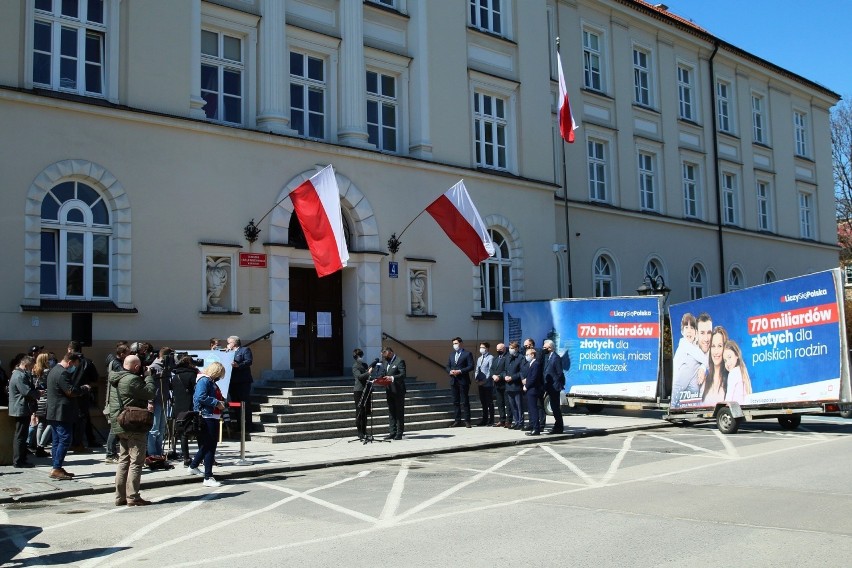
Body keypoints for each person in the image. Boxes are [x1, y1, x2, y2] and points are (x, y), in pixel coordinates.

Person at [109, 354, 156, 506]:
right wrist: (148, 377)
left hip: (120, 423)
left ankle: (120, 496)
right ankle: (133, 497)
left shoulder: (116, 378)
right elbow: (149, 392)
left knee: (124, 460)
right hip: (133, 424)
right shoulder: (132, 380)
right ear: (136, 367)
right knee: (136, 461)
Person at [46, 352, 89, 480]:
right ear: (70, 362)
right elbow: (70, 391)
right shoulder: (62, 373)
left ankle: (56, 466)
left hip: (54, 411)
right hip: (61, 412)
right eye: (75, 365)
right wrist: (84, 388)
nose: (74, 368)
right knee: (65, 439)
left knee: (57, 441)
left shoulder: (53, 370)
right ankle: (57, 467)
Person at [187, 362, 227, 487]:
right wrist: (216, 403)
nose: (220, 377)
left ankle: (193, 466)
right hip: (207, 416)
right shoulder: (205, 381)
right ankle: (208, 477)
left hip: (210, 416)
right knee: (209, 447)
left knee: (207, 446)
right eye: (220, 374)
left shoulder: (207, 381)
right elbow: (200, 397)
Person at [67, 340, 100, 452]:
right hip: (83, 393)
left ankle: (77, 442)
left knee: (76, 419)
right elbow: (95, 377)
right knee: (82, 418)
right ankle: (79, 442)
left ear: (70, 349)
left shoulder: (68, 362)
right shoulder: (87, 362)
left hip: (70, 393)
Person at [671, 313, 710, 406]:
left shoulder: (694, 347)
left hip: (688, 397)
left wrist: (702, 368)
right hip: (676, 393)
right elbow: (705, 359)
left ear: (696, 332)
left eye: (692, 328)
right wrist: (703, 367)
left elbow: (707, 359)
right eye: (686, 328)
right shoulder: (684, 345)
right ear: (682, 331)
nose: (689, 331)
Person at [9, 356, 40, 468]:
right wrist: (38, 393)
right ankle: (18, 461)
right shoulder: (19, 375)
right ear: (26, 365)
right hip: (20, 409)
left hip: (21, 408)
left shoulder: (19, 374)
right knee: (20, 436)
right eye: (31, 366)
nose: (32, 369)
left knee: (21, 435)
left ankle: (21, 459)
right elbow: (26, 391)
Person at [171, 355, 200, 465]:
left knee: (183, 433)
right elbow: (197, 390)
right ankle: (201, 456)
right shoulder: (192, 375)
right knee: (198, 431)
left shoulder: (175, 376)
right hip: (191, 406)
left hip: (178, 407)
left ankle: (186, 457)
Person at [104, 344, 129, 464]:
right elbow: (124, 377)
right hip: (116, 400)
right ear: (122, 354)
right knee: (114, 428)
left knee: (115, 428)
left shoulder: (113, 362)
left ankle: (111, 453)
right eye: (127, 353)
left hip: (115, 399)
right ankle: (110, 454)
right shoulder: (117, 364)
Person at [146, 347, 173, 457]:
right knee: (154, 428)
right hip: (156, 401)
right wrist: (150, 401)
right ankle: (152, 453)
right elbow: (149, 385)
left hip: (164, 400)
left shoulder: (167, 367)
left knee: (161, 429)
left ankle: (159, 452)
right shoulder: (154, 367)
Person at [226, 335, 253, 437]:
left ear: (235, 343)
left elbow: (248, 361)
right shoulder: (229, 352)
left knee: (245, 403)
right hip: (232, 382)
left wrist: (238, 365)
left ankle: (249, 425)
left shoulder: (244, 350)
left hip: (243, 381)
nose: (227, 344)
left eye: (229, 342)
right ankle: (239, 425)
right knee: (235, 404)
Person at [446, 337, 474, 428]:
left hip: (463, 380)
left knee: (465, 401)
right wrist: (450, 371)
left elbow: (471, 366)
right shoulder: (451, 354)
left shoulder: (467, 354)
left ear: (461, 343)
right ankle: (457, 420)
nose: (455, 345)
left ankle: (467, 420)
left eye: (456, 343)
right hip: (454, 381)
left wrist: (460, 371)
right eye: (453, 343)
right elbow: (447, 366)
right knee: (455, 401)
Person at [29, 353, 51, 457]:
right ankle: (41, 445)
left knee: (41, 424)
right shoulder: (47, 371)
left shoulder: (34, 371)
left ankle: (38, 446)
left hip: (38, 400)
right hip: (46, 399)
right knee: (51, 423)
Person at [541, 339, 565, 434]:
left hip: (554, 387)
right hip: (549, 386)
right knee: (554, 407)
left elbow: (559, 373)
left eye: (545, 347)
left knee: (555, 408)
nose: (543, 349)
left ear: (550, 348)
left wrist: (556, 384)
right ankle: (557, 426)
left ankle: (559, 427)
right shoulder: (548, 357)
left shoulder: (556, 357)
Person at [702, 326, 730, 405]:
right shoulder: (704, 380)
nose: (716, 351)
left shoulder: (731, 378)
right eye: (713, 346)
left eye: (720, 346)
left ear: (725, 348)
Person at [351, 348, 373, 440]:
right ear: (355, 357)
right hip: (359, 391)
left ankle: (365, 431)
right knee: (360, 411)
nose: (360, 357)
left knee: (365, 412)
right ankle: (359, 432)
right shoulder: (355, 366)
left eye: (361, 355)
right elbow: (359, 377)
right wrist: (368, 373)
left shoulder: (364, 365)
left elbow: (367, 376)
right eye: (358, 356)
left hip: (366, 389)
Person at [522, 347, 543, 436]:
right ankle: (534, 427)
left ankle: (536, 429)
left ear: (532, 355)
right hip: (531, 389)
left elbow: (534, 378)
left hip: (533, 390)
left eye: (528, 355)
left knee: (533, 410)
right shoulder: (532, 364)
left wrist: (526, 386)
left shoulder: (536, 364)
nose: (526, 356)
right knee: (531, 409)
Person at [504, 341, 524, 429]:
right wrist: (505, 376)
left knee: (519, 405)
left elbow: (521, 372)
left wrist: (512, 377)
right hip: (508, 385)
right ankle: (516, 422)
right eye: (510, 348)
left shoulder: (521, 357)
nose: (510, 350)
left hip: (516, 385)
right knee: (512, 405)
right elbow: (504, 370)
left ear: (516, 348)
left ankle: (521, 422)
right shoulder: (508, 357)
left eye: (512, 348)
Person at [474, 342, 495, 426]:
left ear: (487, 348)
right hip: (480, 383)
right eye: (480, 347)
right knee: (483, 402)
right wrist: (476, 379)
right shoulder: (479, 358)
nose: (481, 349)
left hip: (488, 384)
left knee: (489, 402)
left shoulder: (491, 358)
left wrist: (485, 381)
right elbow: (477, 369)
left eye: (483, 347)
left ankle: (491, 420)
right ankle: (484, 419)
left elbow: (490, 371)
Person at [490, 342, 509, 427]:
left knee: (507, 403)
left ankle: (508, 421)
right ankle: (502, 419)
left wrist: (500, 376)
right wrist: (493, 375)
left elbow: (506, 370)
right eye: (497, 350)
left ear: (504, 349)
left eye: (500, 350)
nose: (498, 351)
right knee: (500, 403)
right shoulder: (495, 358)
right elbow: (491, 369)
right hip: (497, 384)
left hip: (504, 383)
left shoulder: (507, 357)